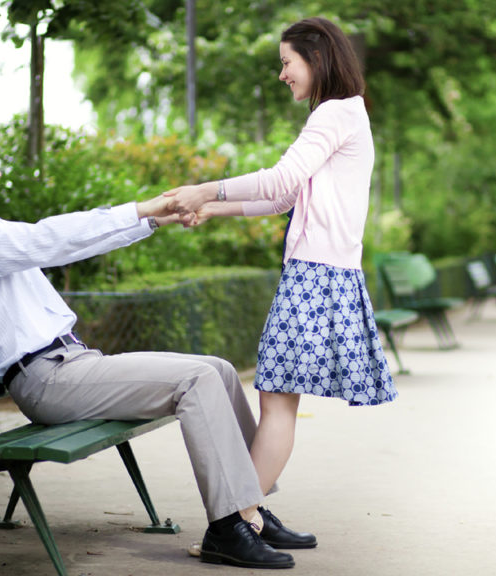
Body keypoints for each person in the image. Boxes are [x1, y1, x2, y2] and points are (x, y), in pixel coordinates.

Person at [0, 121, 295, 569]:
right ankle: (227, 526)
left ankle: (248, 508)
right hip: (48, 380)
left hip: (69, 365)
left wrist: (151, 220)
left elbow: (68, 243)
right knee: (197, 380)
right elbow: (49, 239)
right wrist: (140, 208)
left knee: (218, 369)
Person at [164, 16, 398, 551]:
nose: (282, 75)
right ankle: (250, 516)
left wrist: (205, 188)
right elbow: (283, 199)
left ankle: (237, 522)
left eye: (286, 63)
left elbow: (278, 180)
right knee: (278, 404)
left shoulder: (334, 114)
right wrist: (213, 209)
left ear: (315, 60)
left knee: (275, 406)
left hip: (313, 279)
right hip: (325, 276)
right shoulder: (342, 115)